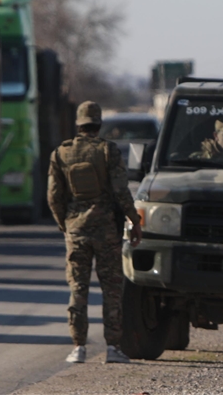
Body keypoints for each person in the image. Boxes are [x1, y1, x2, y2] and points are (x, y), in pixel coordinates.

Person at [47, 101, 142, 365]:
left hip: (76, 231)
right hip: (107, 232)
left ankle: (78, 347)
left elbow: (54, 196)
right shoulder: (108, 151)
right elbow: (122, 192)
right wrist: (134, 221)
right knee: (112, 289)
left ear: (78, 124)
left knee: (78, 288)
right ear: (99, 123)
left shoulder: (61, 153)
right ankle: (113, 347)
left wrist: (65, 224)